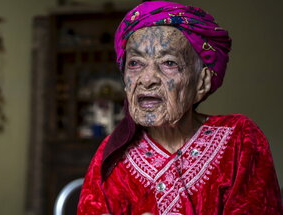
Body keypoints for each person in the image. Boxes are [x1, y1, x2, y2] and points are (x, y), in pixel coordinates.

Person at [77, 1, 283, 214]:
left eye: (168, 63)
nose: (147, 79)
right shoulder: (112, 155)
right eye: (135, 63)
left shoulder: (239, 139)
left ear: (201, 82)